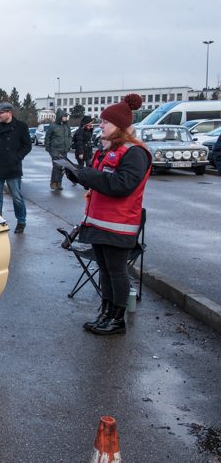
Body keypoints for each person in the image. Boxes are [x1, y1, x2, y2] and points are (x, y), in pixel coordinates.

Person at [63, 93, 150, 336]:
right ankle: (106, 312)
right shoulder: (108, 149)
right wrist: (77, 175)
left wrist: (88, 175)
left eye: (106, 122)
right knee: (105, 271)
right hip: (99, 222)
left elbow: (122, 185)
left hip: (119, 225)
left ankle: (117, 319)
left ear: (120, 127)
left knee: (116, 272)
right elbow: (99, 183)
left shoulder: (134, 152)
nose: (101, 125)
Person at [0, 102, 31, 234]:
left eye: (0, 113)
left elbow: (27, 146)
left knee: (17, 197)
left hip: (13, 169)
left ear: (9, 113)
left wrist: (16, 157)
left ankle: (21, 221)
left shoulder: (21, 127)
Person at [45, 108, 71, 190]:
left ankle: (59, 183)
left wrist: (69, 144)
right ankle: (53, 183)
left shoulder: (66, 126)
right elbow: (47, 137)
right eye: (64, 116)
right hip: (55, 149)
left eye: (66, 116)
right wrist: (48, 148)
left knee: (62, 167)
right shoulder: (53, 126)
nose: (66, 118)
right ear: (60, 117)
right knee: (56, 166)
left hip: (64, 150)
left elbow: (69, 136)